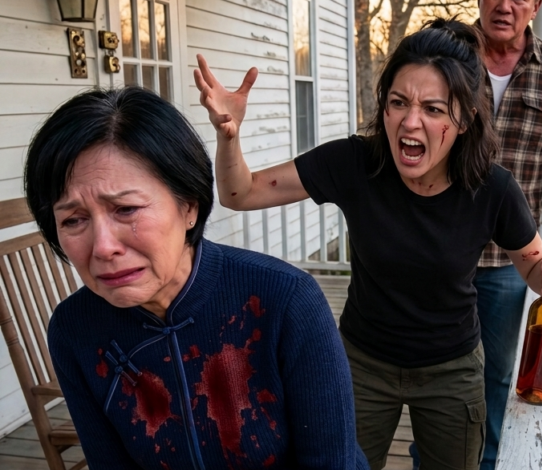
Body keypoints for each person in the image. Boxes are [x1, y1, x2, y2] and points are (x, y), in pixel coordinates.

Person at [195, 18, 542, 470]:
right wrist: (229, 135)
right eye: (398, 102)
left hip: (452, 368)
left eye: (433, 109)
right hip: (362, 363)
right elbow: (240, 193)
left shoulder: (492, 188)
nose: (410, 121)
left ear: (464, 118)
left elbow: (534, 264)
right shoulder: (354, 162)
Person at [24, 87, 369, 469]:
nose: (103, 247)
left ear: (188, 205)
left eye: (126, 209)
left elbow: (331, 460)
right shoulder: (75, 329)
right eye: (74, 220)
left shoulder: (283, 300)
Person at [468, 1, 542, 467]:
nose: (505, 6)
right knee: (436, 373)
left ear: (536, 5)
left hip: (510, 258)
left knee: (499, 373)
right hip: (442, 250)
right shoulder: (449, 54)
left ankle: (488, 461)